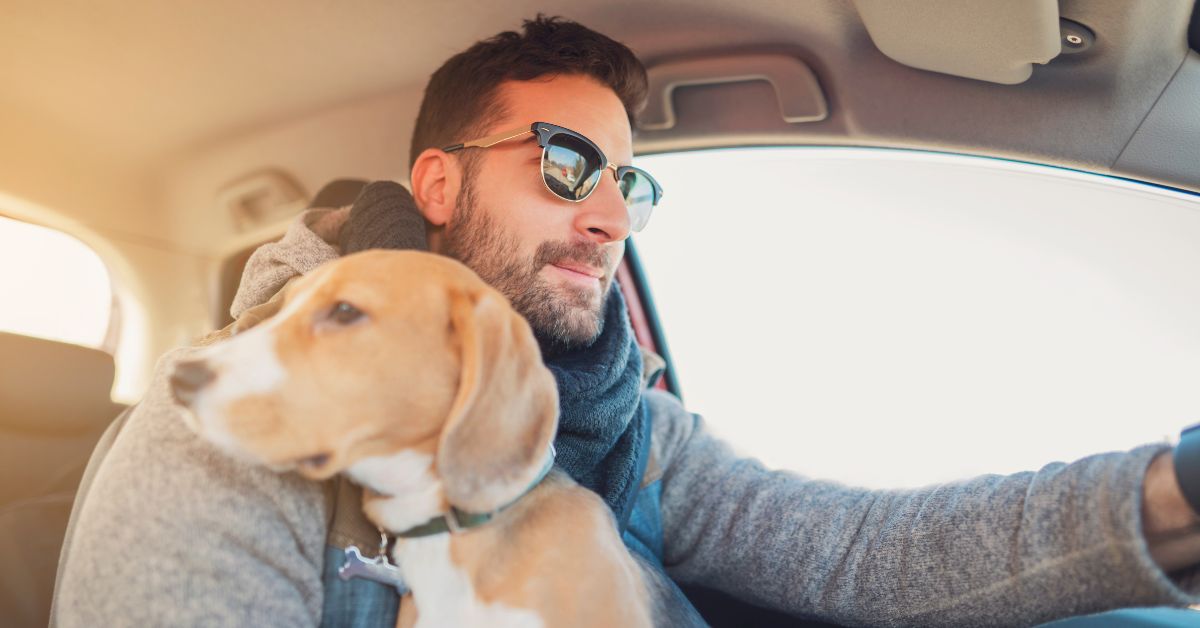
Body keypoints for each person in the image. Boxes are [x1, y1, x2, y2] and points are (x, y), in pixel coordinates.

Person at [52, 14, 1200, 627]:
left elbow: (862, 549)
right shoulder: (222, 432)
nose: (609, 217)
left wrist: (1171, 496)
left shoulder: (632, 426)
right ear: (440, 187)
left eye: (628, 185)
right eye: (565, 164)